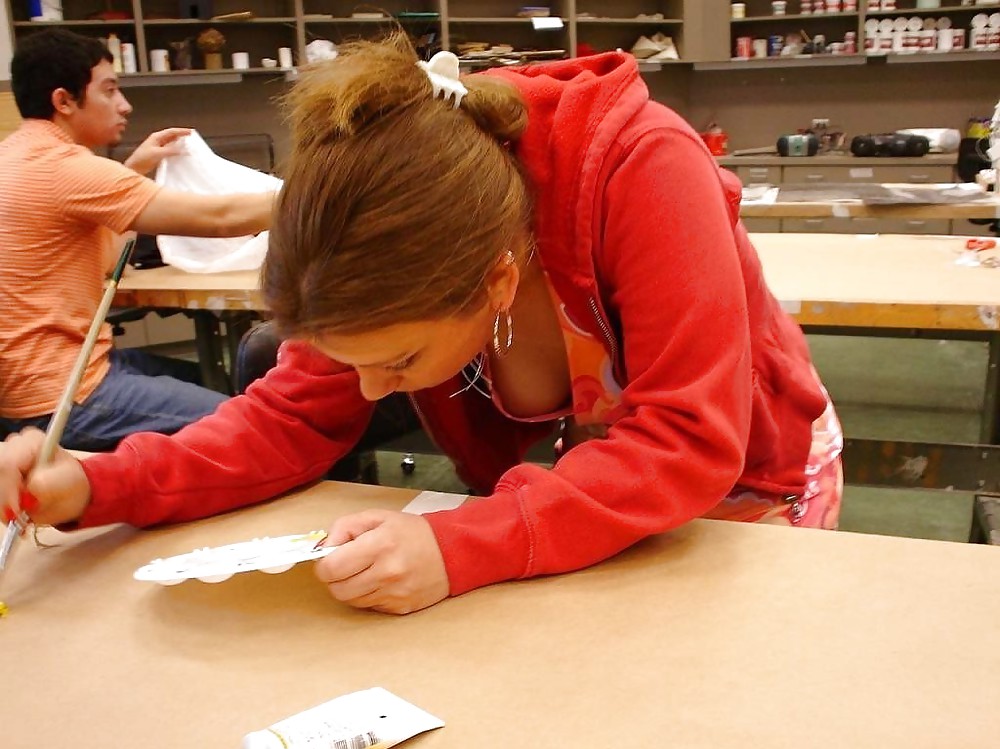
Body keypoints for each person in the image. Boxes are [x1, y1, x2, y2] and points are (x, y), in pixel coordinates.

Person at [0, 33, 843, 614]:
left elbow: (687, 441)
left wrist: (465, 543)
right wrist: (94, 483)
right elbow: (289, 419)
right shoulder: (389, 234)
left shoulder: (641, 168)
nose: (369, 393)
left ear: (499, 279)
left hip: (745, 471)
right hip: (589, 471)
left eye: (399, 360)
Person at [0, 29, 275, 450]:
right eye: (110, 91)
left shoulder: (15, 156)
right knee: (259, 426)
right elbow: (221, 217)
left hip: (31, 389)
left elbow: (109, 257)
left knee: (223, 385)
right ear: (63, 101)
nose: (124, 105)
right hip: (66, 394)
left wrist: (133, 169)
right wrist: (327, 189)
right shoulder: (69, 169)